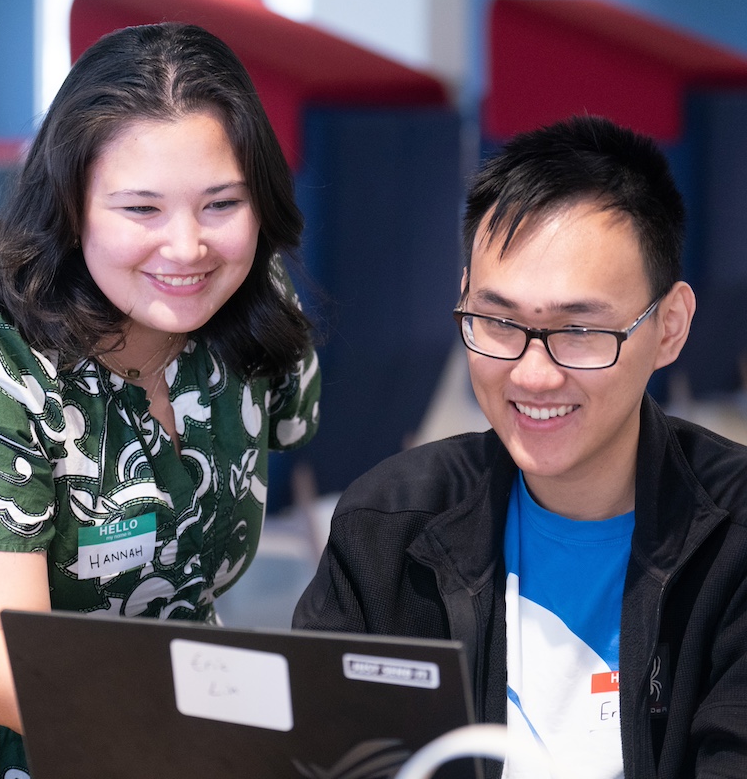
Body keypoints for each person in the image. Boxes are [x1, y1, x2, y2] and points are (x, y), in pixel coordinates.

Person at [294, 115, 747, 778]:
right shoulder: (389, 527)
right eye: (498, 322)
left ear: (670, 327)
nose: (534, 374)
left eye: (580, 331)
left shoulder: (733, 543)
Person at [0, 22, 320, 778]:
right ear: (72, 205)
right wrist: (215, 716)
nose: (187, 250)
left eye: (221, 204)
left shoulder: (255, 306)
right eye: (141, 210)